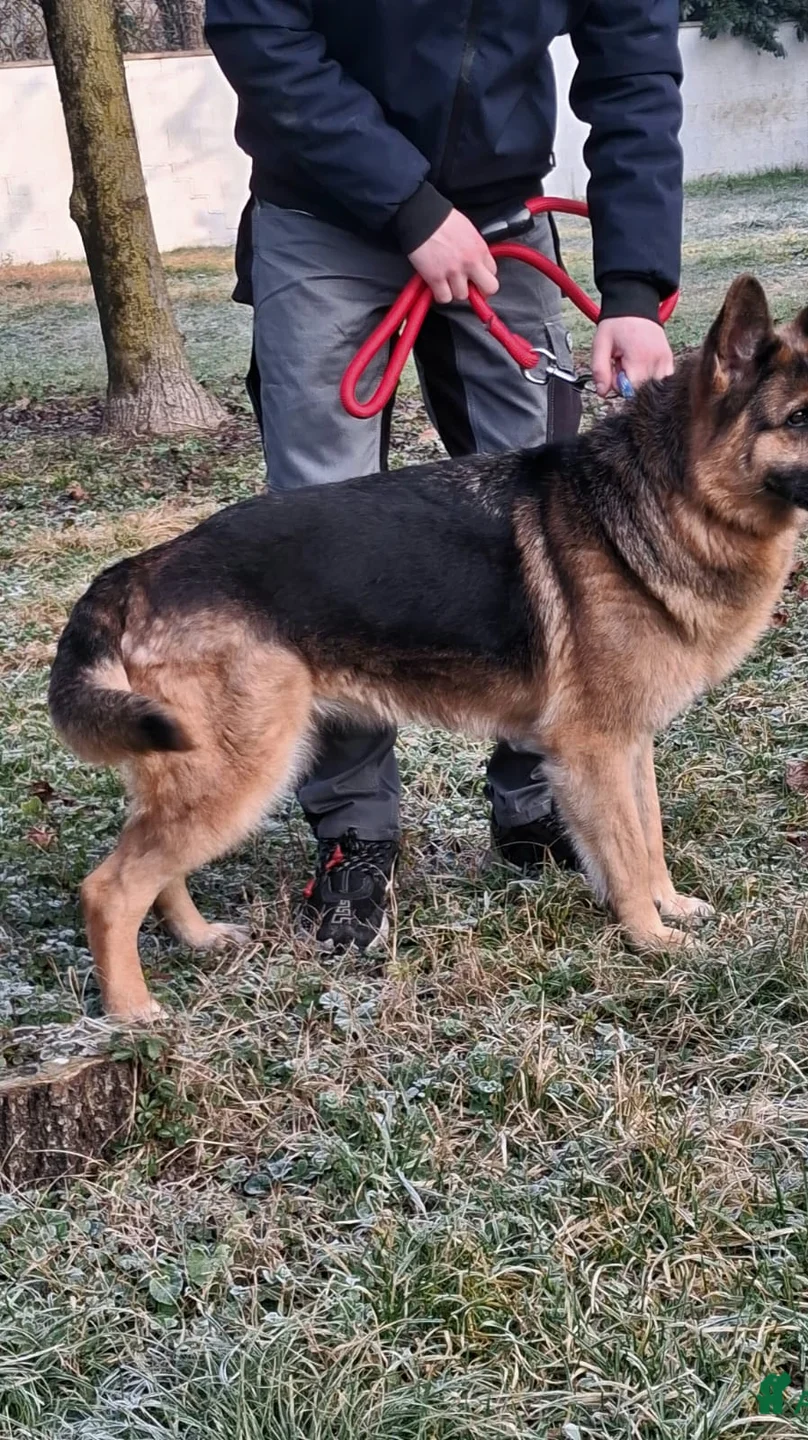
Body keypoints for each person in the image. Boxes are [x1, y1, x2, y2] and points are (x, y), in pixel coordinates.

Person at [204, 0, 684, 954]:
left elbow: (634, 73)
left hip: (504, 216)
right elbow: (258, 28)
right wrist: (407, 204)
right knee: (320, 542)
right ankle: (354, 838)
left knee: (552, 517)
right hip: (324, 210)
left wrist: (634, 288)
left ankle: (539, 796)